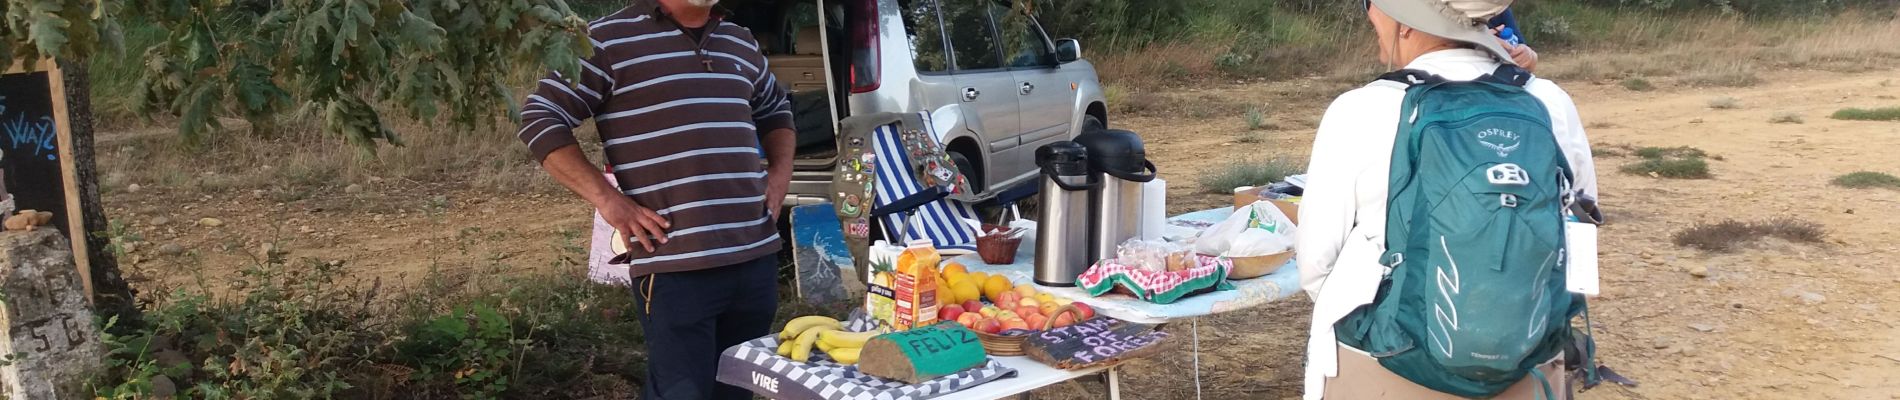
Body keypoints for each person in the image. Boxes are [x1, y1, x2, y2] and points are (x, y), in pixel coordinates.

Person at [1295, 0, 1596, 398]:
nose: (1369, 13)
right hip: (1531, 360)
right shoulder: (1550, 101)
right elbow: (1579, 226)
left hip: (1387, 363)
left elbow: (1316, 263)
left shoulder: (1360, 108)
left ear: (1405, 22)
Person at [515, 0, 795, 398]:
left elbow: (776, 110)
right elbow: (541, 117)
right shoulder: (606, 39)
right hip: (674, 263)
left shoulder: (738, 39)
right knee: (681, 392)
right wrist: (609, 201)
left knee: (736, 391)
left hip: (755, 259)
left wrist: (780, 176)